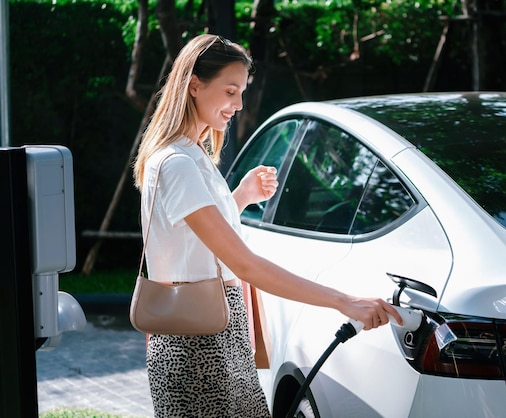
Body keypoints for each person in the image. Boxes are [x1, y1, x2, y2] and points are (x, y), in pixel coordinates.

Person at [132, 33, 403, 418]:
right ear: (194, 85)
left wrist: (237, 197)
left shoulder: (190, 156)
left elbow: (190, 238)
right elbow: (245, 265)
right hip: (197, 347)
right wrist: (344, 301)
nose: (238, 105)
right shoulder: (177, 163)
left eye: (241, 92)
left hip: (214, 335)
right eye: (230, 91)